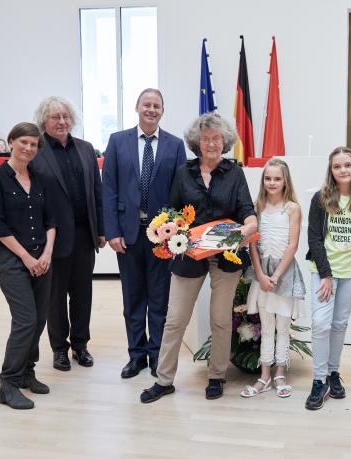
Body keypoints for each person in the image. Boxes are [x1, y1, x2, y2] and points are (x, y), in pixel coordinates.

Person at [140, 112, 257, 403]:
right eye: (205, 139)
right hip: (188, 254)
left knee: (220, 319)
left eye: (216, 138)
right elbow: (172, 209)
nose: (211, 143)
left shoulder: (234, 172)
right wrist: (169, 226)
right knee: (175, 319)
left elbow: (246, 208)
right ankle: (164, 380)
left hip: (226, 255)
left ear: (224, 141)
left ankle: (216, 376)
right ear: (196, 142)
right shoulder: (184, 172)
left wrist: (251, 222)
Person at [102, 88, 187, 378]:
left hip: (161, 237)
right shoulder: (117, 141)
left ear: (163, 111)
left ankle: (156, 357)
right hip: (127, 235)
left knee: (159, 300)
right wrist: (111, 231)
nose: (151, 110)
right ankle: (135, 355)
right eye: (147, 105)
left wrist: (174, 231)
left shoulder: (175, 145)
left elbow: (180, 190)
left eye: (157, 106)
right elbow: (109, 188)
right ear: (137, 108)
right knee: (133, 299)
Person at [0, 122, 57, 410]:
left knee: (39, 320)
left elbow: (51, 221)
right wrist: (27, 258)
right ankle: (8, 383)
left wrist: (47, 253)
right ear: (11, 142)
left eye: (34, 144)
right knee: (25, 320)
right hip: (14, 261)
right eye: (23, 142)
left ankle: (27, 372)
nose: (28, 148)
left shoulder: (40, 179)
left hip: (42, 259)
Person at [31, 96, 105, 371]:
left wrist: (102, 230)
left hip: (86, 235)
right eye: (55, 118)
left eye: (65, 116)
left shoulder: (86, 149)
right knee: (55, 297)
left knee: (83, 293)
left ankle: (81, 345)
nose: (62, 122)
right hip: (53, 238)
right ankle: (59, 349)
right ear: (44, 122)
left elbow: (97, 192)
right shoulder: (36, 152)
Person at [305, 146, 351, 410]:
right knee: (320, 323)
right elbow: (314, 237)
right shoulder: (320, 198)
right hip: (324, 271)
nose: (343, 170)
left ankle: (333, 373)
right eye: (337, 166)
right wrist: (325, 274)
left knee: (339, 324)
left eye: (347, 165)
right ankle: (318, 379)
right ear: (331, 170)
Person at [240, 158, 305, 399]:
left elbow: (293, 244)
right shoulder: (258, 205)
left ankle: (280, 373)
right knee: (266, 327)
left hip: (283, 273)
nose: (272, 182)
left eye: (277, 178)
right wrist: (259, 273)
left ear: (285, 180)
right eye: (268, 178)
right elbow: (253, 243)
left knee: (282, 327)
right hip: (262, 273)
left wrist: (276, 276)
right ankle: (264, 376)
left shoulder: (293, 208)